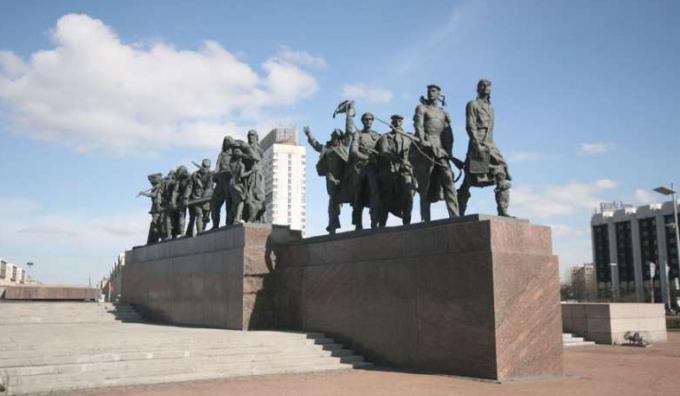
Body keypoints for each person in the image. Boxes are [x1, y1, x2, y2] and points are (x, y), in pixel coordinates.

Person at [458, 79, 512, 217]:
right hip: (478, 142)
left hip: (490, 143)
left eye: (488, 86)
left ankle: (502, 209)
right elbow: (470, 125)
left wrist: (489, 145)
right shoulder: (472, 104)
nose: (486, 88)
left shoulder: (491, 108)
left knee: (502, 173)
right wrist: (476, 144)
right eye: (483, 85)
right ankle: (459, 212)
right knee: (469, 179)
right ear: (478, 88)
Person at [412, 84, 459, 222]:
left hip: (440, 149)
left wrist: (449, 151)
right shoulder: (422, 108)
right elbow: (418, 125)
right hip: (425, 148)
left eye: (433, 91)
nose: (431, 93)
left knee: (448, 177)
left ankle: (455, 215)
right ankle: (425, 220)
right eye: (429, 91)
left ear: (439, 94)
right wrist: (422, 140)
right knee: (425, 184)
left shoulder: (444, 113)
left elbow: (448, 135)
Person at [304, 125, 350, 234]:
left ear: (340, 138)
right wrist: (309, 135)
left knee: (341, 202)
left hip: (343, 178)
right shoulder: (326, 149)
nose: (334, 138)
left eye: (336, 137)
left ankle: (357, 222)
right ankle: (332, 225)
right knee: (333, 201)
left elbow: (349, 131)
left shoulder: (344, 147)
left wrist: (349, 114)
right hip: (331, 179)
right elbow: (316, 145)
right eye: (333, 136)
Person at [376, 114, 414, 226]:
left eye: (399, 121)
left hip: (405, 170)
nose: (397, 123)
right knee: (385, 197)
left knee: (408, 193)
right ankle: (382, 223)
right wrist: (398, 159)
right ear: (391, 123)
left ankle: (407, 221)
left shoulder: (409, 137)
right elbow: (383, 151)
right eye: (395, 121)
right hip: (389, 170)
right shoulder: (385, 137)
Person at [348, 112, 382, 229]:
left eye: (370, 119)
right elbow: (353, 151)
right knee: (358, 196)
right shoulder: (357, 134)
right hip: (361, 168)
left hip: (373, 168)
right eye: (366, 120)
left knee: (375, 193)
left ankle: (374, 221)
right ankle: (358, 223)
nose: (368, 121)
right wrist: (367, 157)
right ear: (362, 121)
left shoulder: (377, 136)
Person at [211, 136, 235, 229]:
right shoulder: (221, 154)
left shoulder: (234, 153)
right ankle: (215, 225)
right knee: (214, 204)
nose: (226, 143)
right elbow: (217, 167)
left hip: (229, 180)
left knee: (229, 203)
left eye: (228, 141)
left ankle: (229, 223)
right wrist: (214, 175)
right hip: (220, 181)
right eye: (225, 141)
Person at [185, 159, 214, 236]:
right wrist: (186, 197)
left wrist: (204, 197)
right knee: (199, 214)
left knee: (206, 217)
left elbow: (209, 187)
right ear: (201, 165)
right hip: (196, 198)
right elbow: (189, 187)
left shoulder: (211, 175)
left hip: (206, 199)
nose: (205, 168)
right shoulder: (194, 175)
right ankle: (200, 232)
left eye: (207, 167)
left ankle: (203, 230)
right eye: (204, 166)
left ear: (209, 167)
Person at [242, 130, 265, 222]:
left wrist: (243, 155)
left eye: (252, 135)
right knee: (248, 195)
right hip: (249, 174)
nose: (250, 137)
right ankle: (252, 216)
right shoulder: (248, 147)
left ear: (256, 137)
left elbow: (255, 157)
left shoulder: (256, 148)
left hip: (256, 174)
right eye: (249, 135)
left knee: (256, 194)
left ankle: (257, 215)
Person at [137, 173, 163, 244]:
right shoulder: (156, 187)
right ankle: (153, 240)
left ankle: (155, 240)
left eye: (152, 181)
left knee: (155, 224)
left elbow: (154, 195)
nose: (151, 183)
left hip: (158, 207)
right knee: (154, 224)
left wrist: (144, 194)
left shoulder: (159, 186)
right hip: (154, 208)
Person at [169, 165, 191, 237]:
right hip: (183, 199)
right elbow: (175, 191)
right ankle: (182, 232)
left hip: (193, 197)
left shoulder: (191, 177)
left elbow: (190, 187)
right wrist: (173, 201)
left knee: (194, 215)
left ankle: (188, 231)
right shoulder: (179, 181)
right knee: (182, 215)